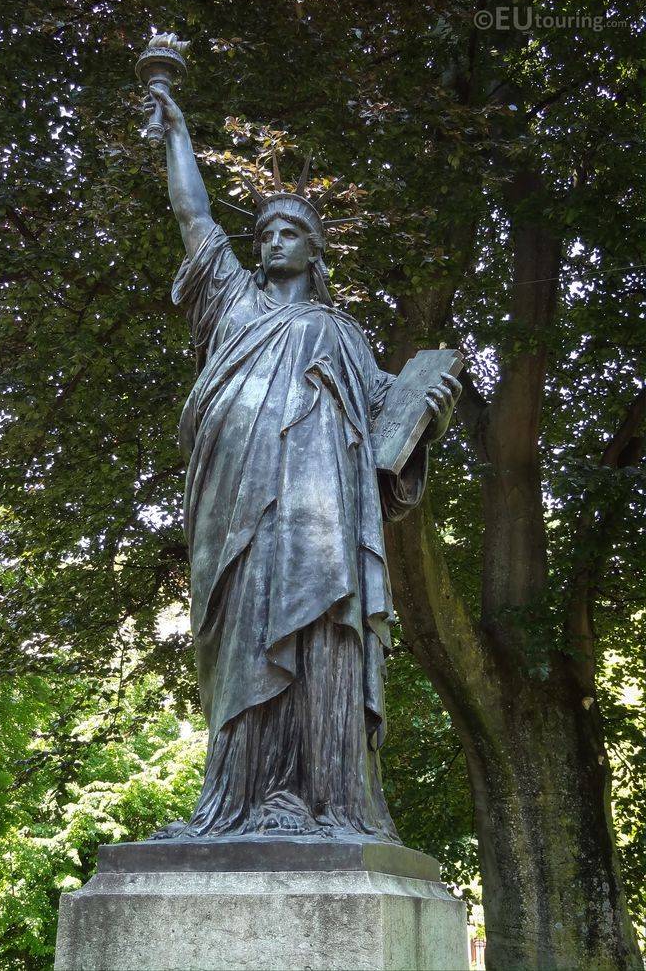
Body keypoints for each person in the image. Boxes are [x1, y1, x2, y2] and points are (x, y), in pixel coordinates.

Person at [148, 87, 461, 841]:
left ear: (316, 249)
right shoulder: (235, 306)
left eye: (292, 231)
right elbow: (195, 219)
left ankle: (324, 798)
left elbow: (392, 423)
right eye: (267, 231)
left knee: (322, 637)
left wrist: (433, 404)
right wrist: (176, 137)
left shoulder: (341, 332)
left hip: (320, 515)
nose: (275, 241)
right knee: (246, 639)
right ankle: (239, 800)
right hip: (239, 508)